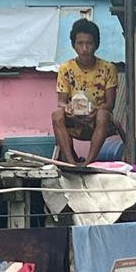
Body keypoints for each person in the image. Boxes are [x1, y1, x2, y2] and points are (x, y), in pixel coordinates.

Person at [52, 19, 119, 164]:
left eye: (89, 43)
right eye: (80, 43)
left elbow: (110, 104)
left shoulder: (108, 68)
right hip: (73, 119)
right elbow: (61, 102)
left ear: (96, 45)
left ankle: (88, 163)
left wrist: (95, 110)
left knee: (102, 114)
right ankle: (71, 162)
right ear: (73, 45)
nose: (84, 48)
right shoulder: (65, 68)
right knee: (57, 114)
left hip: (98, 120)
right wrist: (69, 109)